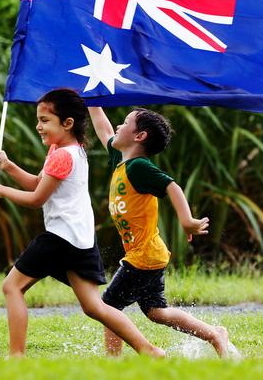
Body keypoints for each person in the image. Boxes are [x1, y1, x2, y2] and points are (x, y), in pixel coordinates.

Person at [0, 89, 164, 358]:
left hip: (60, 236)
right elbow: (39, 183)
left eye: (45, 120)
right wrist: (8, 166)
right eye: (38, 120)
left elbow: (36, 198)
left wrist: (1, 190)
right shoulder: (70, 150)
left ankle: (16, 358)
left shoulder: (61, 155)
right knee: (94, 307)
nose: (38, 126)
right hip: (80, 238)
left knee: (12, 286)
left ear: (67, 123)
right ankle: (149, 350)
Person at [88, 106, 241, 359]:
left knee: (108, 306)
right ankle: (215, 333)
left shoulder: (138, 167)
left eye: (125, 123)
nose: (118, 126)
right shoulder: (121, 161)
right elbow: (104, 129)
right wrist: (93, 102)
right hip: (150, 253)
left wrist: (187, 220)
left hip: (144, 256)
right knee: (156, 312)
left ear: (140, 136)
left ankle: (112, 363)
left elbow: (171, 185)